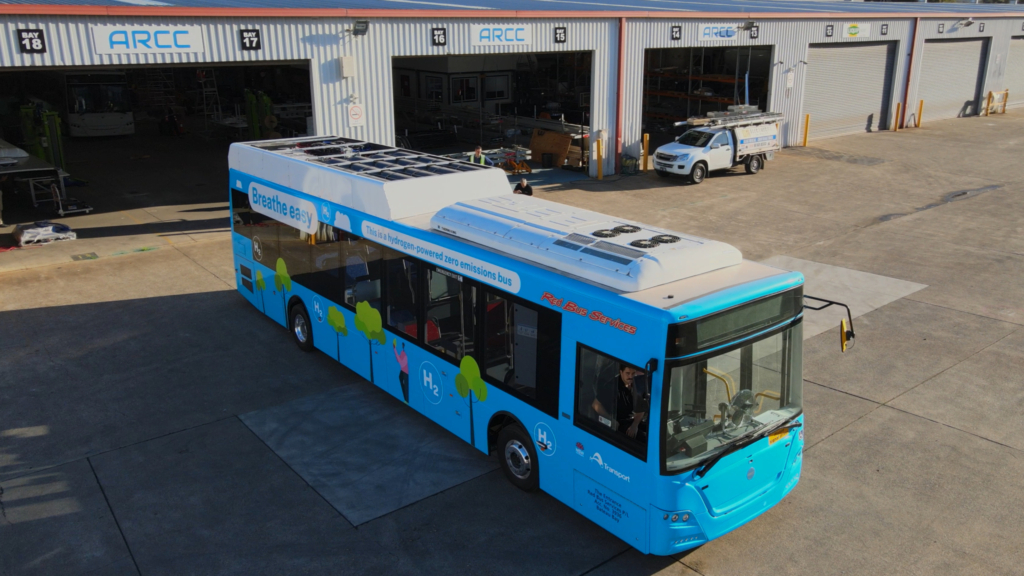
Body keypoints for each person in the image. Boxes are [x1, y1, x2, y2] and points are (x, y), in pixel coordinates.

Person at [591, 364, 648, 440]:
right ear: (621, 372)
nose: (630, 376)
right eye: (627, 373)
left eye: (633, 373)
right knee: (643, 439)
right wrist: (611, 420)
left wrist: (635, 424)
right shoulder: (611, 386)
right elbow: (595, 405)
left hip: (635, 420)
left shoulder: (637, 384)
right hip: (620, 423)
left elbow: (642, 406)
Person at [393, 339, 410, 403]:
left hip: (405, 371)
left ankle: (407, 400)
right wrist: (394, 349)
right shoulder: (402, 352)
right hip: (403, 370)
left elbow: (401, 362)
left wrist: (395, 349)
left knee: (406, 385)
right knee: (400, 378)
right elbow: (398, 360)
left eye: (402, 345)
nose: (401, 346)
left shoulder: (405, 354)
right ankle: (405, 399)